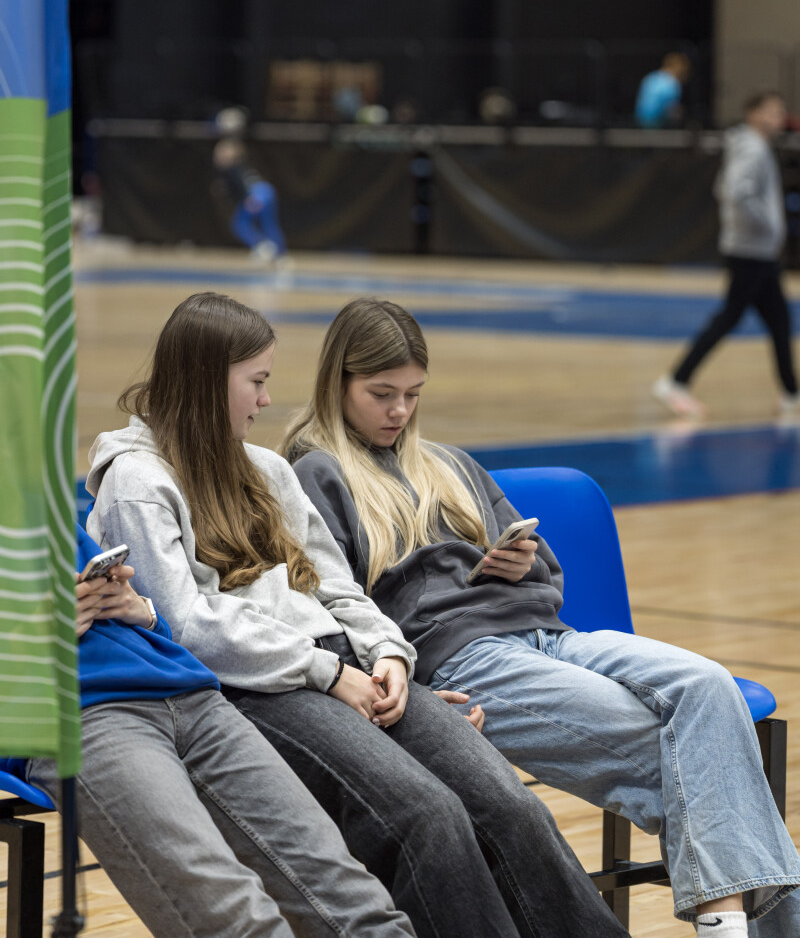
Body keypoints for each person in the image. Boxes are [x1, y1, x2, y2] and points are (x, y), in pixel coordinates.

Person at [85, 291, 630, 938]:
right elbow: (186, 625)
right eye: (255, 381)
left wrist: (390, 654)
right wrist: (327, 673)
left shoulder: (266, 468)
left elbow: (338, 587)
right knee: (426, 817)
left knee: (510, 808)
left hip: (349, 665)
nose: (266, 399)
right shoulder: (137, 481)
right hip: (265, 684)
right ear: (206, 381)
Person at [283, 296, 800, 938]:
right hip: (468, 662)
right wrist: (415, 698)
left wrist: (520, 565)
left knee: (709, 688)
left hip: (552, 638)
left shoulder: (449, 462)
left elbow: (550, 580)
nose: (400, 412)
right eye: (381, 394)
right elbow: (330, 609)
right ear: (337, 383)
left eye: (413, 395)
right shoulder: (313, 474)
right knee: (709, 764)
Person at [1, 525, 415, 938]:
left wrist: (140, 609)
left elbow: (151, 629)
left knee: (358, 904)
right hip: (78, 716)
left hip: (190, 692)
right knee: (238, 920)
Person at [653, 91, 799, 418]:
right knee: (730, 318)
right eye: (773, 112)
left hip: (756, 251)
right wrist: (766, 226)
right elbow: (734, 191)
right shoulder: (753, 149)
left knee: (779, 321)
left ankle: (791, 392)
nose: (779, 119)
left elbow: (723, 187)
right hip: (751, 251)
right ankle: (675, 381)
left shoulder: (748, 146)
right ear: (754, 114)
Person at [212, 130, 288, 264]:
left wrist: (250, 199)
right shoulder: (242, 165)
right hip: (267, 190)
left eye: (222, 151)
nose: (218, 154)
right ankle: (280, 255)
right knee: (269, 224)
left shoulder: (231, 168)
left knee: (240, 224)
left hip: (256, 194)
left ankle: (262, 246)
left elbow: (241, 184)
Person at [634, 52, 691, 128]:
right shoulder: (672, 84)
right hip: (659, 127)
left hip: (640, 125)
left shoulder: (650, 77)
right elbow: (672, 113)